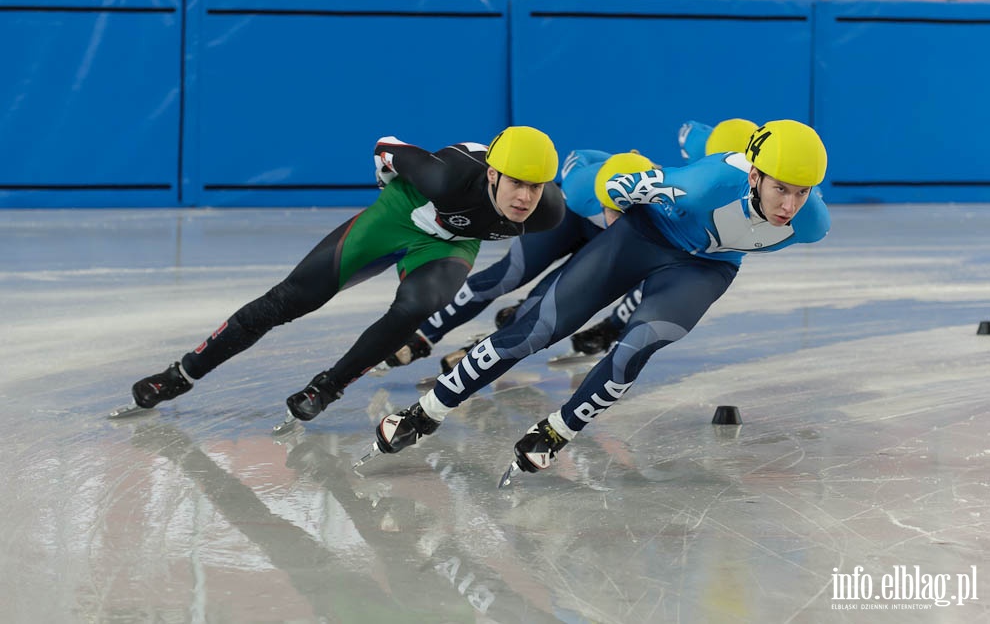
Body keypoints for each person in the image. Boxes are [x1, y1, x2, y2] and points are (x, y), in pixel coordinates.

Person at [367, 120, 830, 480]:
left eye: (800, 192)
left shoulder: (813, 223)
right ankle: (424, 413)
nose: (788, 205)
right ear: (754, 174)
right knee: (535, 330)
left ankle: (557, 430)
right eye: (780, 188)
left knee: (640, 344)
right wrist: (613, 207)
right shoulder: (702, 183)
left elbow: (782, 216)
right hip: (646, 234)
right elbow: (615, 188)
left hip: (708, 267)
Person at [127, 126, 565, 424]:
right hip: (403, 212)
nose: (525, 197)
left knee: (417, 307)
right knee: (292, 298)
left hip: (448, 242)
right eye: (516, 184)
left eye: (536, 186)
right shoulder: (445, 176)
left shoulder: (547, 212)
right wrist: (385, 172)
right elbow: (386, 144)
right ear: (492, 173)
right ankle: (182, 374)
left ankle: (329, 387)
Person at [382, 118, 758, 374]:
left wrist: (612, 326)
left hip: (617, 236)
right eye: (613, 210)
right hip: (570, 218)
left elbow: (658, 277)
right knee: (508, 274)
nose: (617, 217)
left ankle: (492, 342)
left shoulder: (679, 196)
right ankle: (426, 333)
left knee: (547, 300)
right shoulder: (582, 189)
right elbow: (580, 159)